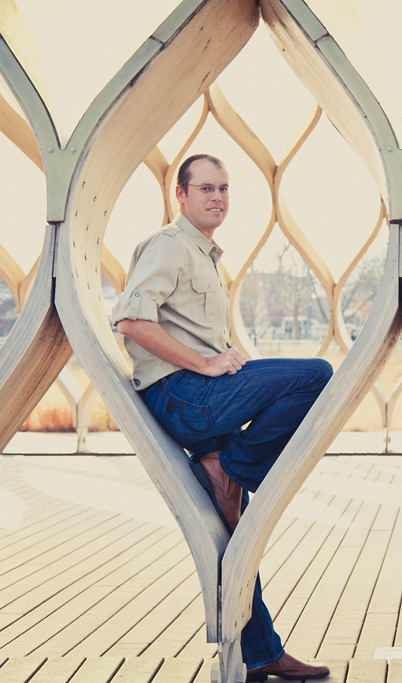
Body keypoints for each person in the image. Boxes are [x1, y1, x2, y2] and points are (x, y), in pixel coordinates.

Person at [112, 154, 333, 682]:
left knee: (236, 533)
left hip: (199, 394)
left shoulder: (205, 255)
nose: (217, 197)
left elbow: (182, 327)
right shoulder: (170, 245)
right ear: (181, 195)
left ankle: (262, 653)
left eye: (225, 189)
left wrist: (219, 352)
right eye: (206, 188)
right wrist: (207, 363)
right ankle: (232, 465)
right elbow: (131, 320)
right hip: (184, 396)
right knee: (316, 374)